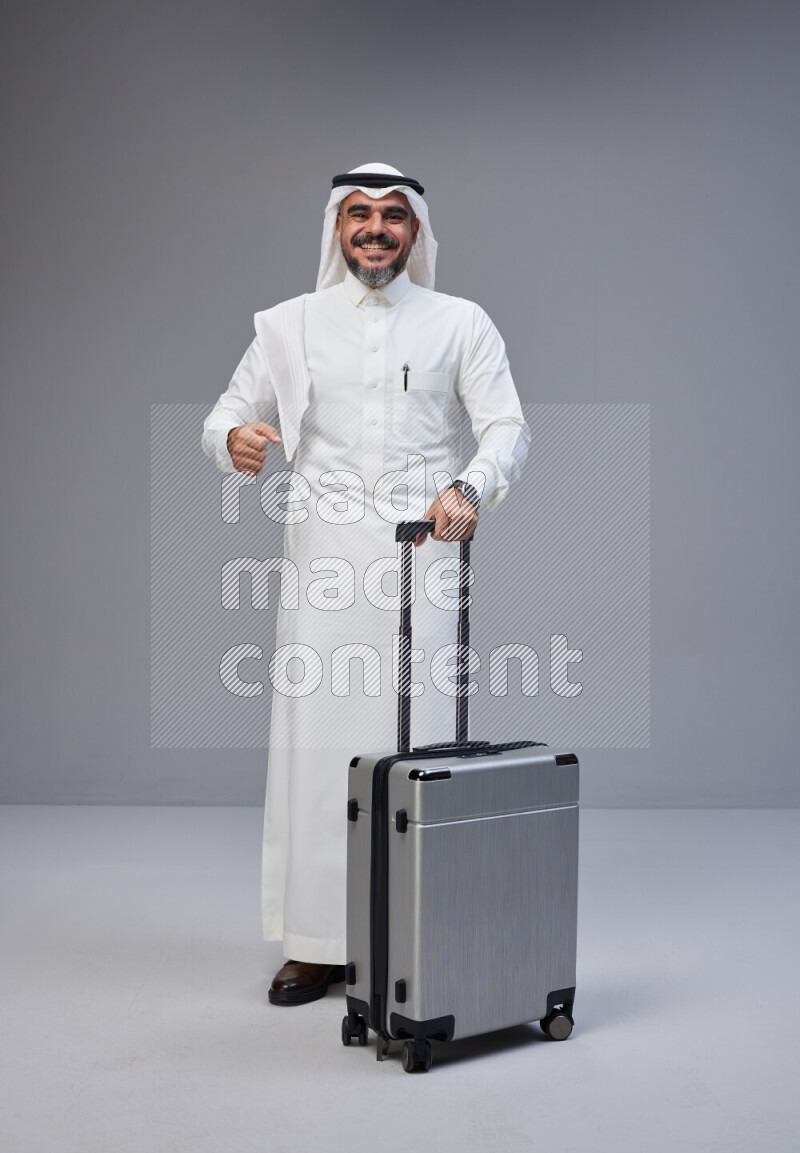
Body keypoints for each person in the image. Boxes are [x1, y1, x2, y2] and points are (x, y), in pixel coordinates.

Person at [202, 163, 530, 1005]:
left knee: (419, 751)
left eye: (393, 216)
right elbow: (224, 414)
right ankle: (317, 944)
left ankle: (417, 929)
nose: (376, 229)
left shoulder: (461, 323)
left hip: (425, 562)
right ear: (336, 228)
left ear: (416, 231)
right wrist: (235, 437)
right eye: (359, 214)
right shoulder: (290, 325)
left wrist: (471, 487)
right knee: (320, 754)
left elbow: (507, 429)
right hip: (323, 565)